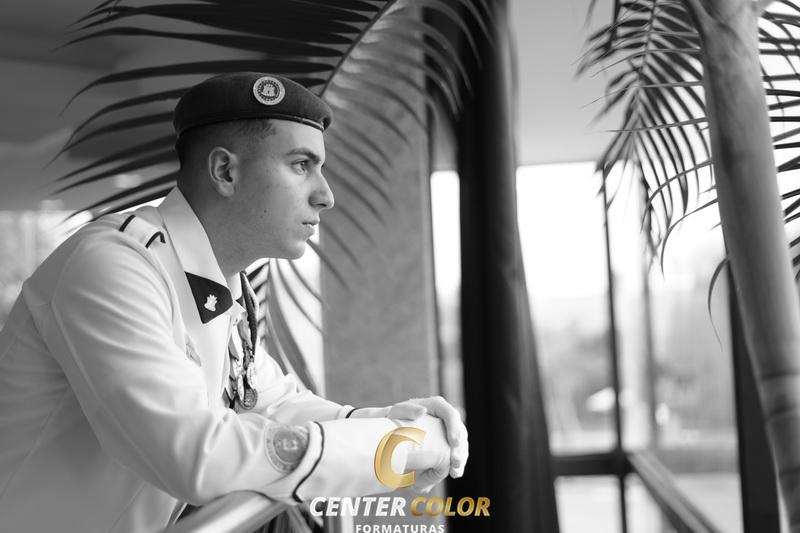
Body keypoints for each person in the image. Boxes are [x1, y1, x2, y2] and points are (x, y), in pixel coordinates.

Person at [0, 72, 468, 532]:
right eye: (301, 165)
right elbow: (194, 454)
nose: (326, 196)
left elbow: (271, 403)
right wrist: (395, 445)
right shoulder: (112, 265)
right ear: (226, 171)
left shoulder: (219, 281)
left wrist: (392, 420)